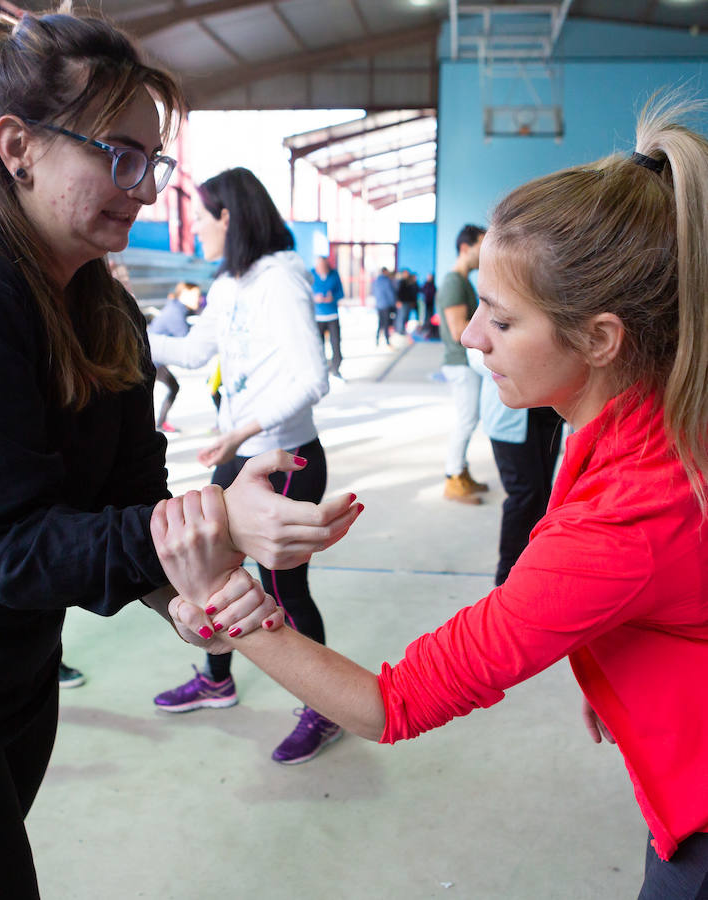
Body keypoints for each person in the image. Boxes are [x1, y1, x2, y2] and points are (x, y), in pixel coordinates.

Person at [156, 95, 708, 899]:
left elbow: (389, 704)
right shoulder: (643, 421)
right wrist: (616, 665)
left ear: (599, 338)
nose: (471, 334)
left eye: (501, 320)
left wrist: (223, 598)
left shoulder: (620, 522)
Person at [0, 11, 359, 898]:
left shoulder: (100, 307)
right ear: (18, 146)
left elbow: (128, 497)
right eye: (118, 156)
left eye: (151, 162)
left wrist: (182, 592)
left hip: (9, 680)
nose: (141, 189)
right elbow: (5, 547)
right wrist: (219, 519)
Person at [148, 167, 343, 765]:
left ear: (227, 217)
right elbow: (192, 350)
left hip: (285, 460)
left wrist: (242, 429)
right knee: (214, 574)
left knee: (284, 590)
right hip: (239, 456)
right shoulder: (230, 281)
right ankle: (217, 681)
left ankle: (325, 709)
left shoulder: (279, 279)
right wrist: (116, 325)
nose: (196, 230)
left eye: (201, 218)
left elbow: (312, 379)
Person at [467, 349, 564, 585]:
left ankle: (535, 568)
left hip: (549, 411)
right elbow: (477, 357)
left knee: (544, 494)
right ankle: (507, 579)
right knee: (524, 495)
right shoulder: (489, 326)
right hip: (510, 416)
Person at [437, 224, 488, 504]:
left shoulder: (463, 281)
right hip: (460, 362)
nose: (486, 251)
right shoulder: (454, 282)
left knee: (469, 419)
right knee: (466, 421)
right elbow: (459, 330)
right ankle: (453, 477)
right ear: (465, 247)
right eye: (482, 244)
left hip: (465, 363)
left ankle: (461, 473)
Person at [148, 281, 203, 432]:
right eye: (196, 295)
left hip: (154, 358)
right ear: (184, 294)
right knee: (168, 388)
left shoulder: (177, 308)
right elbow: (185, 338)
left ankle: (158, 424)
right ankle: (157, 425)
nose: (198, 299)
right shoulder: (175, 312)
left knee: (171, 387)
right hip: (152, 359)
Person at [311, 254, 345, 380]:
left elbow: (341, 293)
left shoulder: (334, 275)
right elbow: (305, 294)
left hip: (332, 315)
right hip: (317, 317)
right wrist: (315, 298)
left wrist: (333, 298)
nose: (321, 268)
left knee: (336, 343)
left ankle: (335, 369)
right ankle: (321, 370)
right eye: (319, 266)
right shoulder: (311, 275)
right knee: (318, 346)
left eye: (323, 266)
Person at [372, 266, 397, 346]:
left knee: (380, 323)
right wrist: (393, 303)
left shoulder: (376, 281)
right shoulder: (386, 281)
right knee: (386, 323)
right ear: (385, 272)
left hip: (379, 305)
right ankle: (387, 341)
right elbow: (390, 293)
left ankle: (377, 340)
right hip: (386, 305)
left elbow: (374, 292)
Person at [394, 268, 418, 338]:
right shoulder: (400, 282)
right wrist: (398, 301)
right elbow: (397, 292)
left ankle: (402, 330)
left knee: (405, 317)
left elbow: (412, 293)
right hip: (402, 302)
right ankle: (400, 331)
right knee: (401, 317)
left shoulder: (409, 282)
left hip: (408, 302)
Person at [420, 273, 437, 339]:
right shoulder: (425, 284)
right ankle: (425, 329)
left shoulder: (432, 285)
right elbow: (422, 290)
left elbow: (434, 292)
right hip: (425, 303)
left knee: (430, 316)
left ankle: (429, 330)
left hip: (431, 303)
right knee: (425, 316)